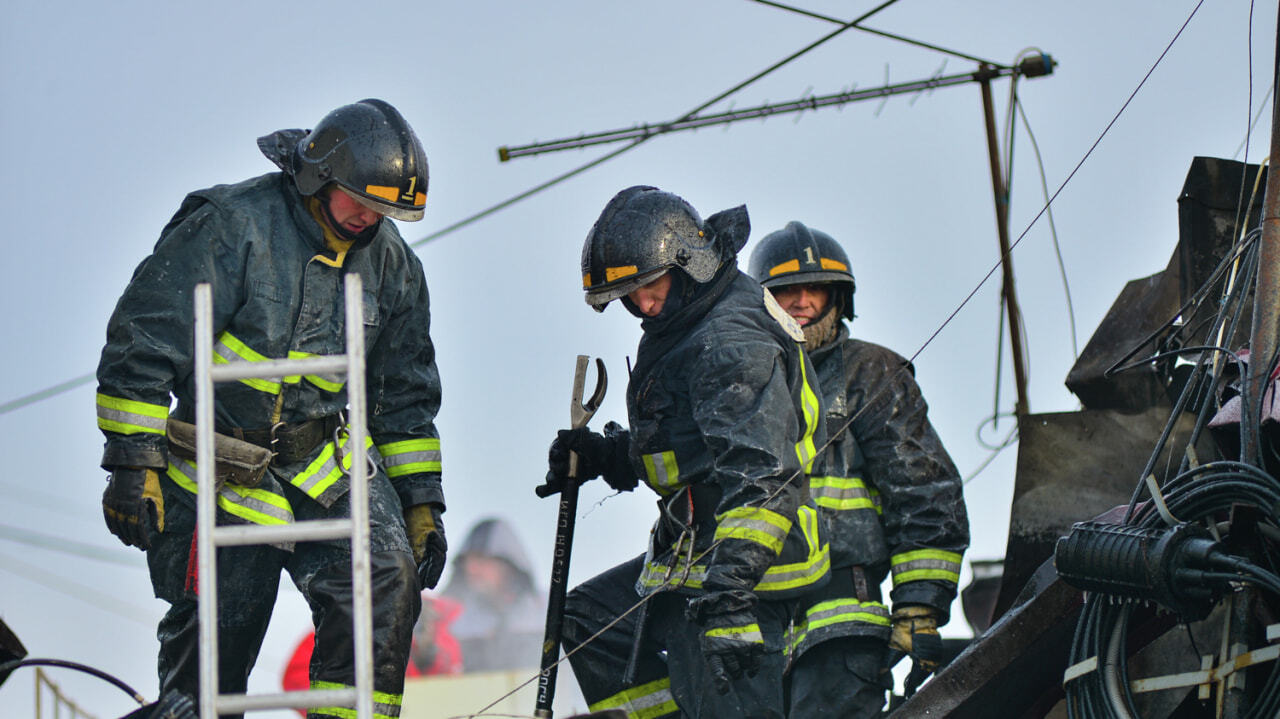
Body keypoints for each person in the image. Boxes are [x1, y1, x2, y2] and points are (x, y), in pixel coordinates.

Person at [95, 99, 448, 717]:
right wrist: (132, 463)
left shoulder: (393, 265)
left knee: (385, 578)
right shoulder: (231, 226)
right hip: (218, 465)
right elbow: (145, 339)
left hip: (325, 468)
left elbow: (404, 395)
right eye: (360, 202)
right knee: (214, 651)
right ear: (319, 177)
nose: (370, 220)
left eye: (385, 211)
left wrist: (421, 503)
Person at [541, 186, 830, 718]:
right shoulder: (689, 317)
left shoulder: (727, 341)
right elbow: (690, 447)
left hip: (747, 568)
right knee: (588, 619)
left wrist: (728, 600)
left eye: (650, 286)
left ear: (688, 263)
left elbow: (764, 479)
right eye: (630, 294)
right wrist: (606, 456)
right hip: (696, 552)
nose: (642, 305)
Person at [748, 221, 969, 718]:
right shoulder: (741, 380)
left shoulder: (870, 371)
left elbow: (924, 489)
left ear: (838, 298)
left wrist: (919, 605)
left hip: (843, 610)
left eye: (815, 288)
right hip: (752, 616)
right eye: (786, 290)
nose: (802, 301)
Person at [282, 594, 463, 716]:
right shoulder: (344, 623)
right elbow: (297, 682)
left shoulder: (448, 635)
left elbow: (456, 695)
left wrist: (428, 658)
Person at [439, 517, 547, 672]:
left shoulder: (546, 610)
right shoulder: (454, 620)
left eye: (481, 559)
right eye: (468, 561)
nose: (472, 569)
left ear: (508, 564)